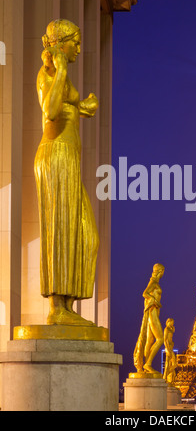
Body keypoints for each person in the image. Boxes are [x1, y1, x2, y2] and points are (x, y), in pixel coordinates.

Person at [34, 19, 99, 326]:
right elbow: (49, 110)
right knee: (60, 227)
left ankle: (68, 304)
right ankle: (57, 307)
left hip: (69, 159)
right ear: (61, 45)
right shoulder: (48, 73)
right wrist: (60, 68)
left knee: (86, 235)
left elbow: (73, 104)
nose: (79, 48)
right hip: (55, 155)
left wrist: (86, 105)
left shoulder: (64, 78)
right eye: (75, 42)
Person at [133, 263, 165, 374]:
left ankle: (146, 365)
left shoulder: (155, 282)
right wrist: (155, 301)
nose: (163, 274)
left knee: (150, 340)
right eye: (162, 271)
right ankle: (148, 363)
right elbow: (145, 293)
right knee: (160, 339)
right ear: (160, 271)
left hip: (155, 312)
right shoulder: (154, 282)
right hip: (153, 312)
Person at [163, 318, 177, 385]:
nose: (173, 324)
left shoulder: (171, 329)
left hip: (171, 346)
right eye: (172, 322)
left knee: (171, 363)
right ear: (168, 322)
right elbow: (165, 339)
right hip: (168, 347)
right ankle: (165, 377)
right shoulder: (166, 329)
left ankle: (168, 375)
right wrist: (167, 348)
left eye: (173, 322)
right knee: (168, 363)